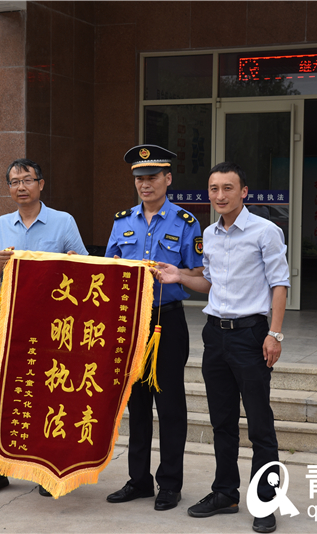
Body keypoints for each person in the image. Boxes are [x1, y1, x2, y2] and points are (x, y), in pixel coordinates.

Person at [155, 161, 289, 533]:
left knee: (260, 425)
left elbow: (279, 284)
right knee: (222, 422)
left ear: (243, 192)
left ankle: (265, 501)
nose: (220, 195)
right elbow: (210, 283)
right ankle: (225, 493)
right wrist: (179, 276)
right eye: (214, 189)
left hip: (251, 335)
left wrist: (274, 334)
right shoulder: (210, 234)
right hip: (215, 335)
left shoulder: (265, 231)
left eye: (228, 188)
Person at [0, 158, 88, 497]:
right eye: (14, 182)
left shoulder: (62, 221)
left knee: (46, 394)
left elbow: (84, 266)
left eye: (27, 180)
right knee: (3, 394)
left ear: (40, 184)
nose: (21, 187)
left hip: (52, 326)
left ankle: (43, 470)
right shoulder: (2, 224)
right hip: (10, 323)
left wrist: (71, 263)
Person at [104, 144, 203, 512]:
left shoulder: (187, 223)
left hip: (167, 321)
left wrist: (176, 274)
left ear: (168, 179)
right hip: (132, 323)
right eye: (139, 179)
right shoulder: (122, 221)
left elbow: (199, 272)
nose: (145, 185)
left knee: (170, 404)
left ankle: (170, 484)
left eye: (152, 177)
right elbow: (110, 269)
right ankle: (139, 480)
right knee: (137, 403)